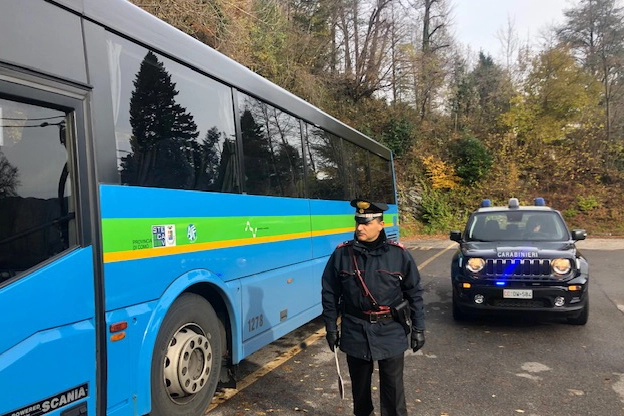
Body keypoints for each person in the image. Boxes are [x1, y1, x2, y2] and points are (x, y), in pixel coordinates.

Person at [321, 198, 425, 416]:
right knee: (360, 394)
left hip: (391, 329)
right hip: (355, 329)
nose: (360, 227)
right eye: (358, 222)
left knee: (393, 392)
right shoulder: (342, 255)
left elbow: (414, 293)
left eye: (366, 223)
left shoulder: (399, 255)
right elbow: (330, 293)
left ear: (381, 224)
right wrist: (331, 327)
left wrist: (418, 329)